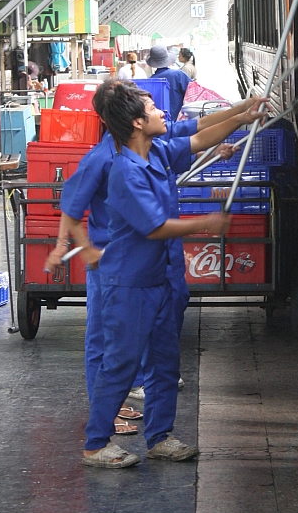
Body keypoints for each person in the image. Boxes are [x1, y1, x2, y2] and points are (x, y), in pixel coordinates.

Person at [44, 81, 267, 461]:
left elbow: (199, 137)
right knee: (119, 362)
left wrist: (243, 118)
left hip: (161, 275)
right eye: (153, 109)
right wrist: (206, 224)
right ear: (136, 122)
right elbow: (154, 227)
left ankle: (160, 437)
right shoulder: (122, 171)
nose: (163, 112)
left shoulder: (156, 150)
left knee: (165, 363)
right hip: (128, 281)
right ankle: (96, 443)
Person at [144, 43, 191, 120]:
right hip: (179, 122)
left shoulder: (150, 82)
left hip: (159, 123)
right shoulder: (179, 75)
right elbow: (192, 94)